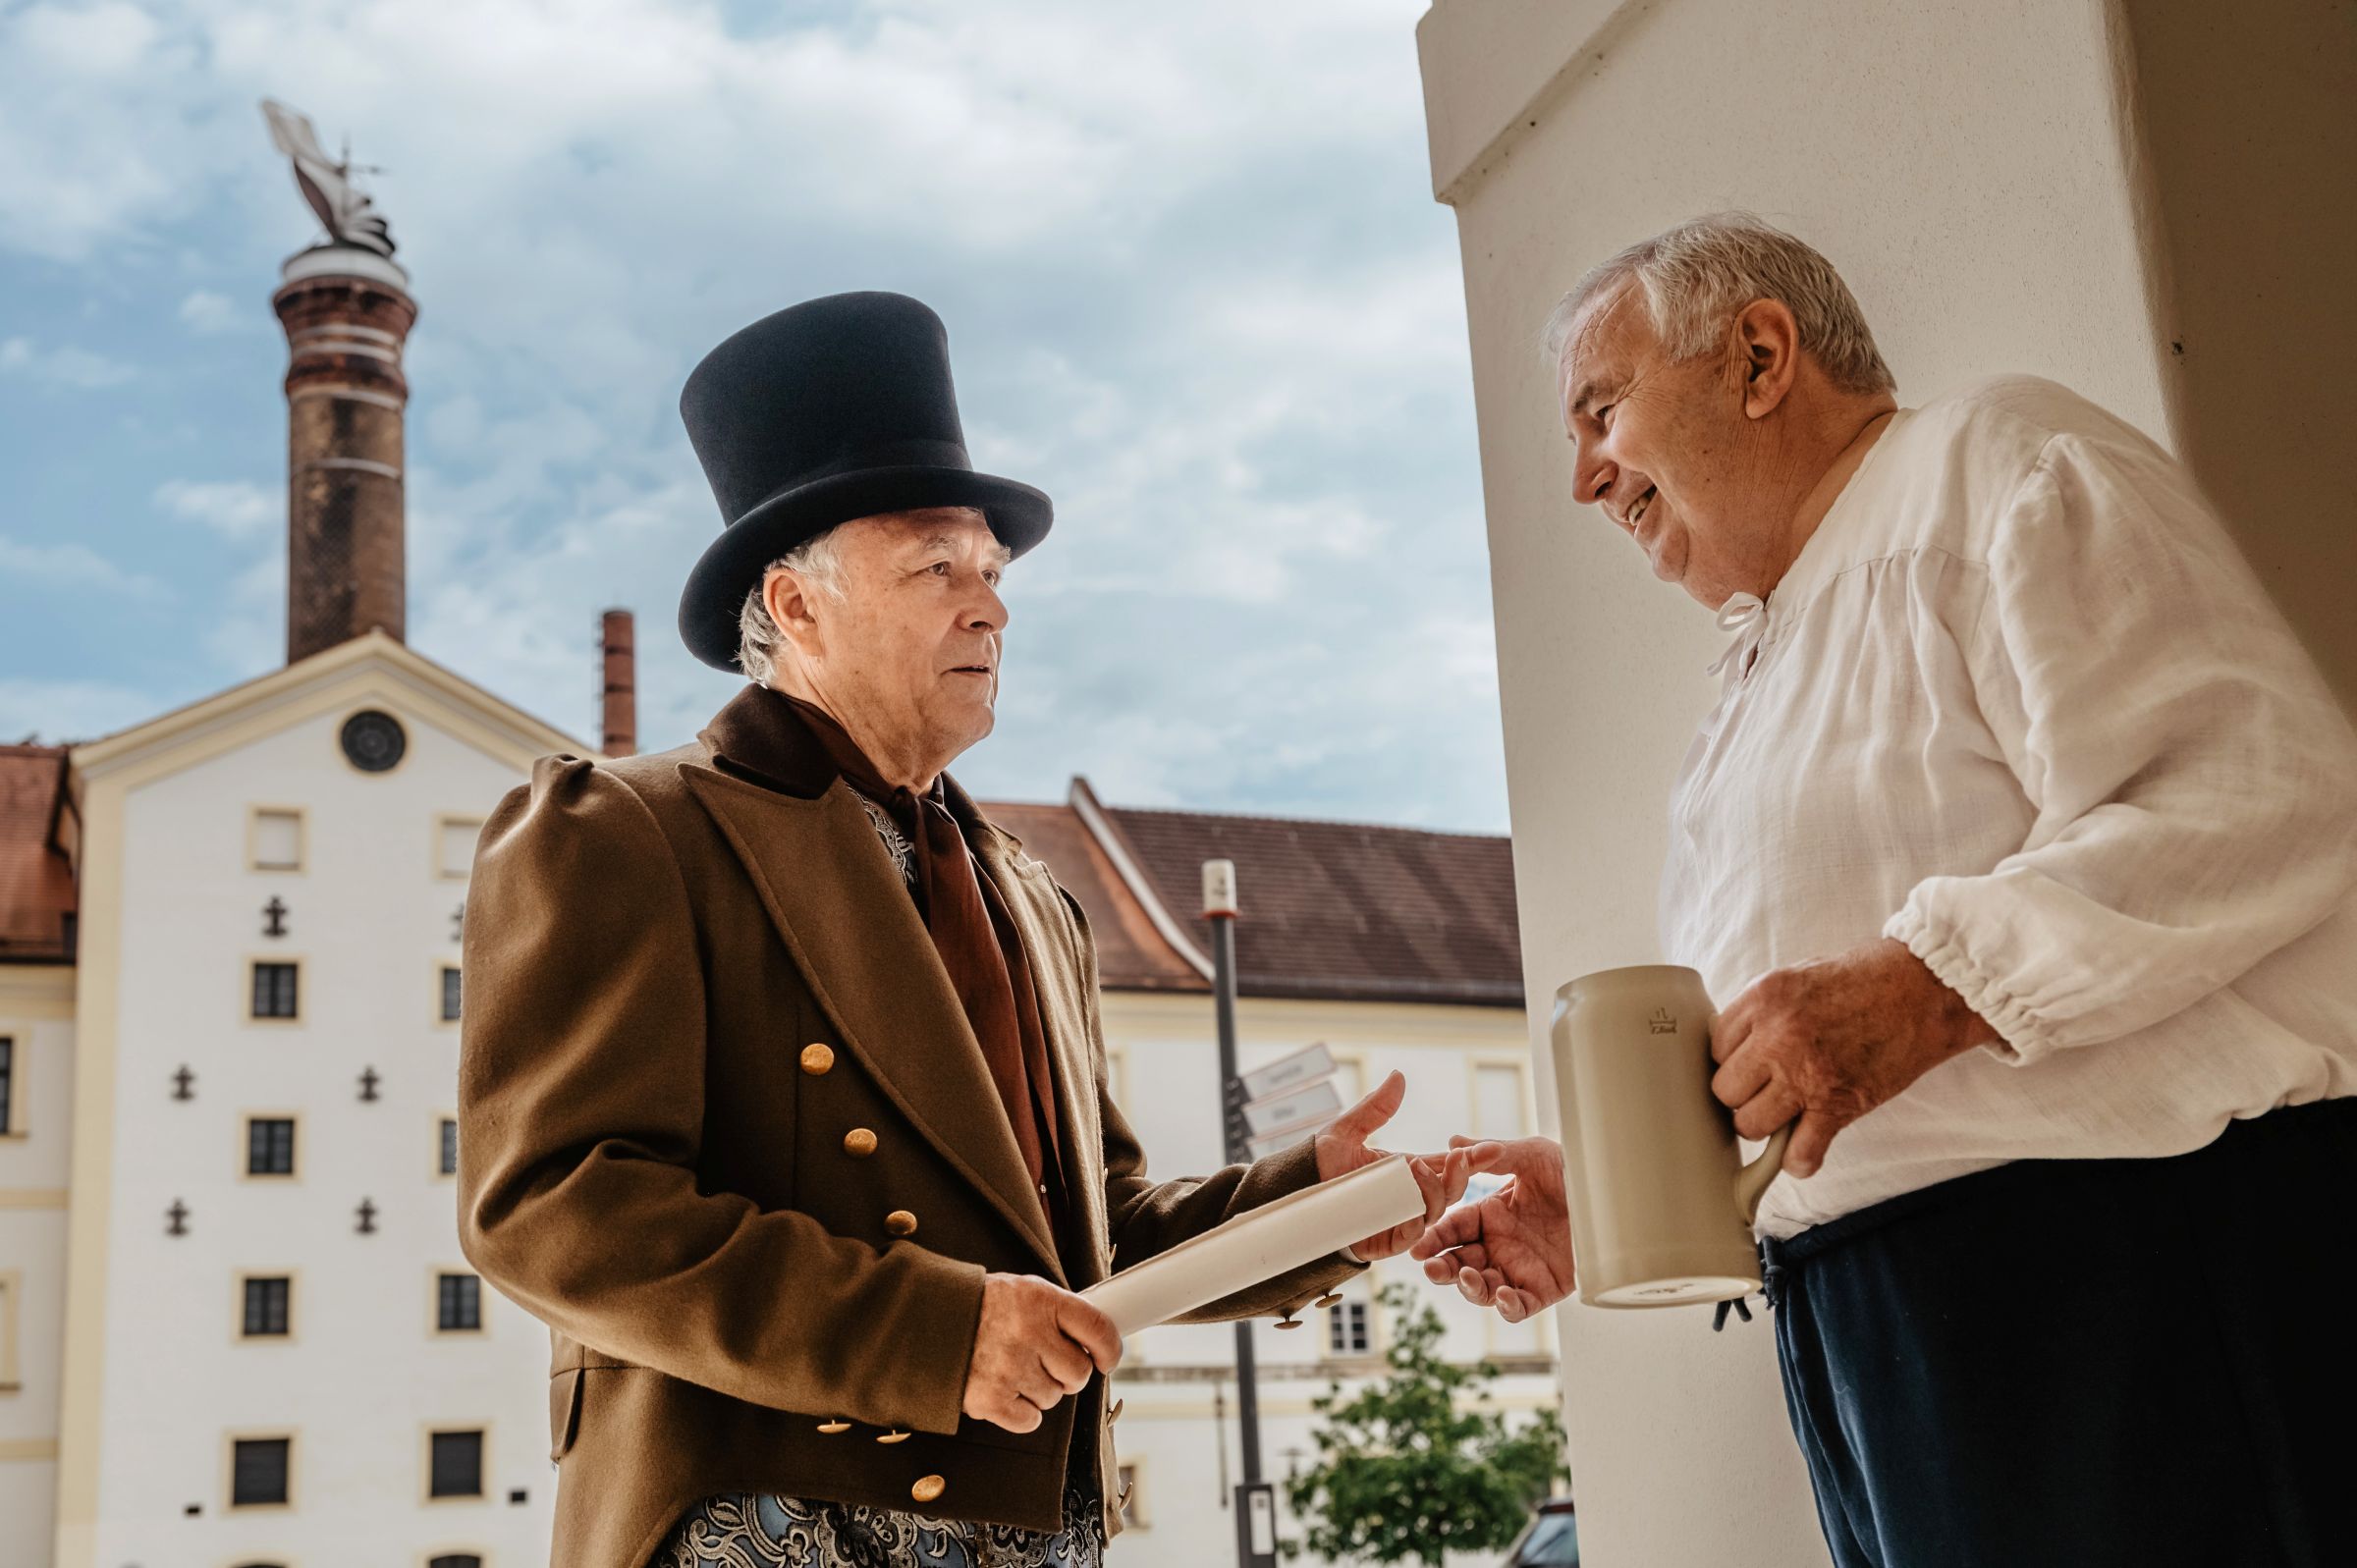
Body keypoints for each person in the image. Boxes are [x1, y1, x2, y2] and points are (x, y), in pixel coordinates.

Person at [457, 292, 1496, 1568]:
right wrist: (935, 1335)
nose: (990, 608)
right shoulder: (627, 830)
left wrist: (1307, 1208)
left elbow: (1094, 1236)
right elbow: (558, 1204)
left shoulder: (1029, 894)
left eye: (993, 574)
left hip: (1038, 1530)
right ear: (795, 604)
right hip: (768, 1530)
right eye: (935, 568)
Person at [1412, 215, 2357, 1566]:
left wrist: (1929, 990)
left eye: (1601, 411)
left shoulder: (1997, 464)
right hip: (1890, 1335)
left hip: (2122, 1296)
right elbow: (1838, 1059)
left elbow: (2256, 798)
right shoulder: (1767, 654)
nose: (1582, 479)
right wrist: (1627, 1197)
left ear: (1759, 356)